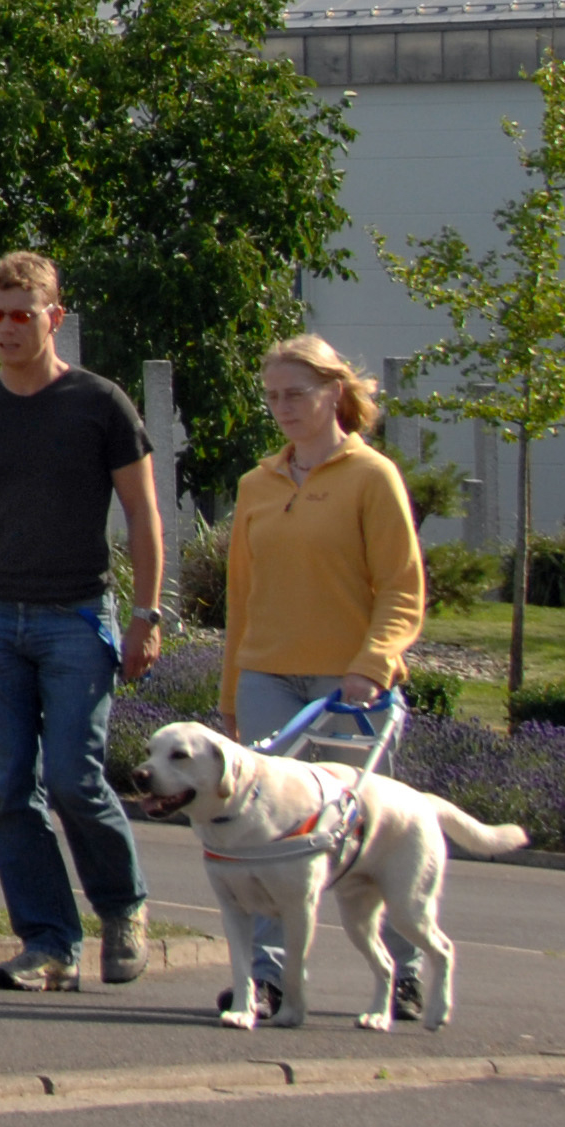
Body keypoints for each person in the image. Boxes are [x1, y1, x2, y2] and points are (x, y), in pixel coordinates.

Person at [0, 252, 166, 994]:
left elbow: (144, 514)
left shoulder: (100, 404)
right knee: (8, 789)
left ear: (55, 317)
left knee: (72, 777)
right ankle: (48, 942)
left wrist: (148, 616)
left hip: (77, 616)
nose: (6, 328)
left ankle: (122, 907)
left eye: (22, 314)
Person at [220, 331, 429, 1014]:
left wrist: (372, 664)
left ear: (334, 393)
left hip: (348, 685)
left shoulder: (372, 477)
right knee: (266, 835)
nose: (283, 407)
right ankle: (268, 975)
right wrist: (232, 692)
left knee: (362, 830)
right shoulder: (258, 483)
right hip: (268, 676)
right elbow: (241, 598)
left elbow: (402, 586)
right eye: (273, 396)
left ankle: (404, 967)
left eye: (297, 394)